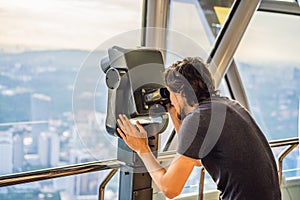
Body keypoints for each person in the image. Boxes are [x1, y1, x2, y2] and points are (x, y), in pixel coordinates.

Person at [117, 57, 281, 199]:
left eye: (170, 93)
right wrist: (175, 114)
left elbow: (170, 189)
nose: (170, 99)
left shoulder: (198, 119)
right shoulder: (226, 105)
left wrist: (142, 149)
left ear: (180, 90)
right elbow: (196, 158)